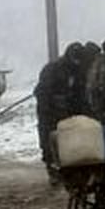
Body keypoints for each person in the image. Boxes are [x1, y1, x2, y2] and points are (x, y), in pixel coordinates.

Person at [34, 42, 87, 181]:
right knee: (50, 140)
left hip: (69, 111)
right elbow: (43, 92)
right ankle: (52, 168)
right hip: (49, 112)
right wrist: (54, 103)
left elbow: (80, 92)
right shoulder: (53, 69)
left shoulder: (79, 70)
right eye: (75, 58)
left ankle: (69, 168)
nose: (77, 62)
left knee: (69, 140)